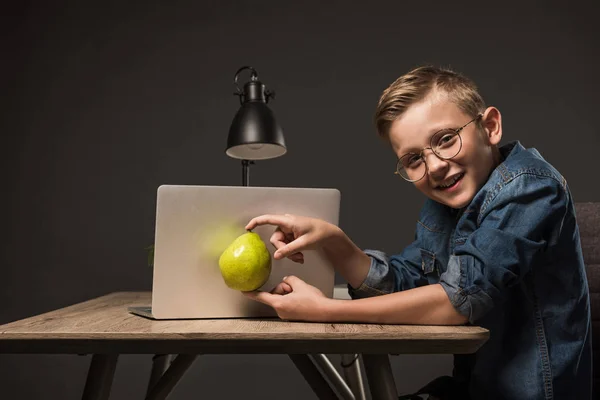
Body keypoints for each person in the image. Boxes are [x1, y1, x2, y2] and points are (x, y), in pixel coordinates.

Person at [242, 65, 592, 399]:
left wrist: (326, 310)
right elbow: (410, 282)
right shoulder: (448, 203)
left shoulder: (530, 188)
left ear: (490, 126)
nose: (436, 166)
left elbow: (460, 299)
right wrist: (335, 241)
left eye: (445, 139)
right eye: (413, 160)